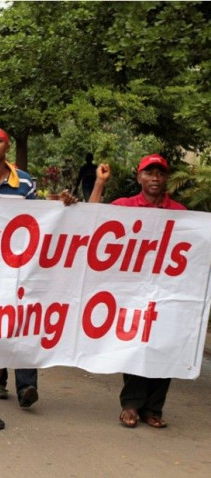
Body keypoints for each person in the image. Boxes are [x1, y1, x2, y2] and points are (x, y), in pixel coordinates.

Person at [0, 126, 77, 438]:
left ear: (6, 146)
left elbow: (37, 220)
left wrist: (62, 208)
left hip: (11, 275)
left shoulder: (24, 182)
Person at [88, 154, 185, 429]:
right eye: (149, 172)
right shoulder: (125, 207)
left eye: (160, 173)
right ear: (139, 177)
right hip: (131, 292)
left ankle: (153, 408)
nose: (155, 177)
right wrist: (99, 183)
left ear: (166, 178)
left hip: (167, 291)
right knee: (135, 344)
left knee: (164, 346)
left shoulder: (180, 212)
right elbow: (91, 220)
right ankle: (131, 405)